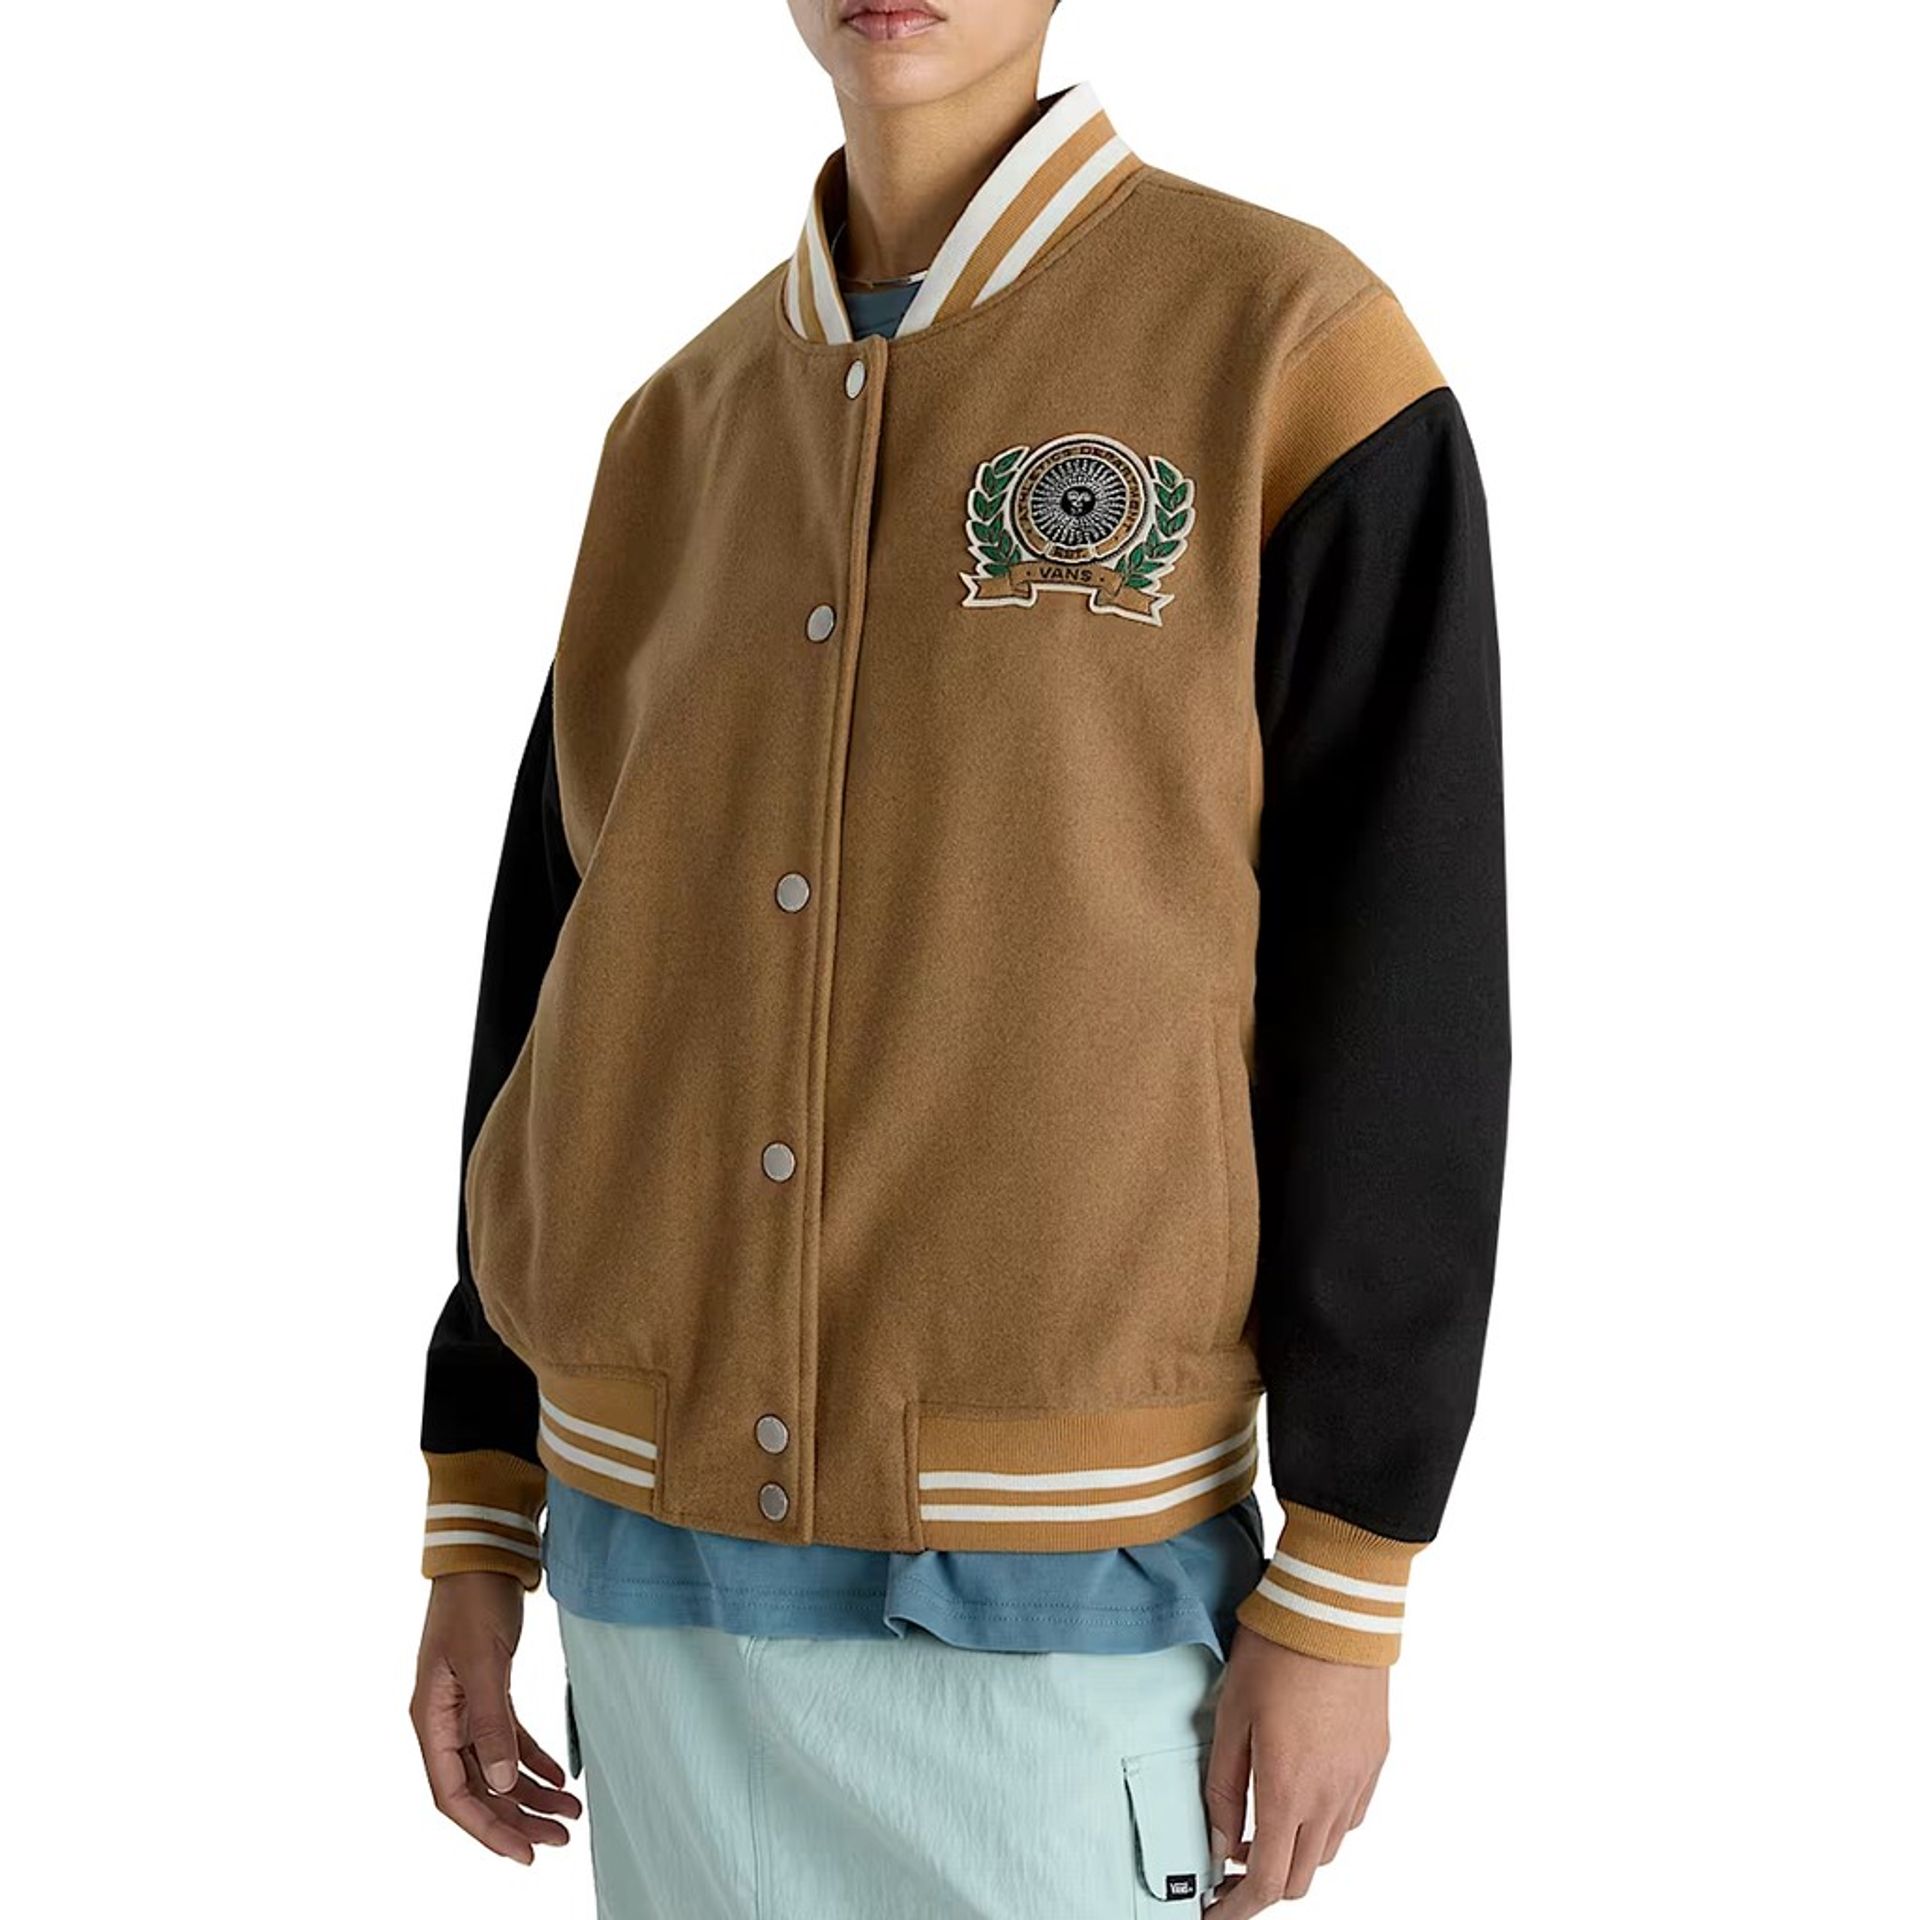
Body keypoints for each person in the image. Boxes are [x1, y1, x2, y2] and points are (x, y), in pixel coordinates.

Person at [408, 1, 1510, 1912]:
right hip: (648, 1580)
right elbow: (554, 984)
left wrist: (1351, 1571)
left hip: (1066, 1591)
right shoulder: (679, 428)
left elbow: (1402, 981)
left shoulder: (1287, 348)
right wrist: (478, 1504)